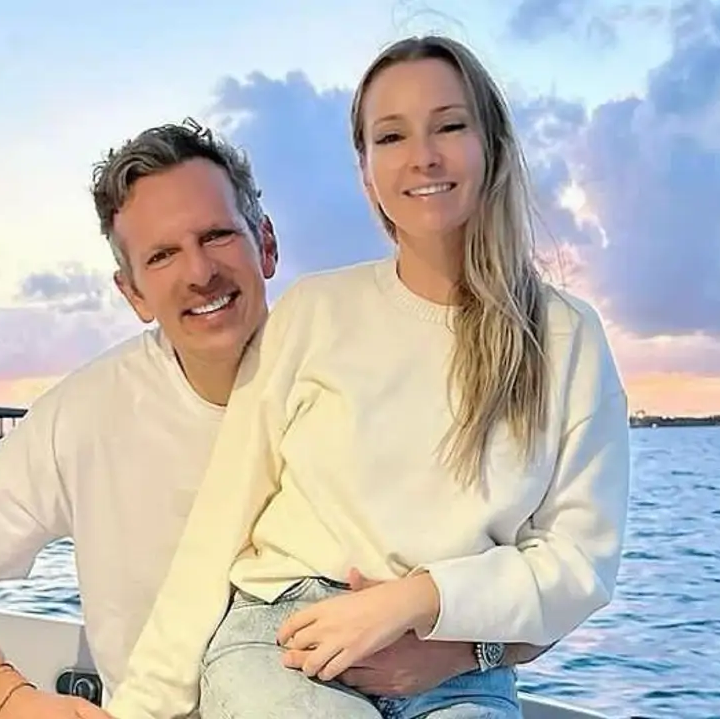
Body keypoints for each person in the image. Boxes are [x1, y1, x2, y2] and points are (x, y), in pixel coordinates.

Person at [0, 118, 552, 719]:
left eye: (217, 235)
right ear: (133, 293)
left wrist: (463, 653)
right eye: (162, 256)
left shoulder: (377, 370)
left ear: (266, 243)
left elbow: (542, 571)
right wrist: (6, 698)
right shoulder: (84, 416)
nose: (199, 272)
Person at [105, 35, 631, 719]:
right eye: (391, 136)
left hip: (461, 663)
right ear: (366, 172)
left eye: (450, 125)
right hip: (286, 637)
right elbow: (219, 522)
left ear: (493, 145)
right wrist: (141, 709)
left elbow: (578, 563)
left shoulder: (566, 336)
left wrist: (419, 603)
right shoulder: (314, 311)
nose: (423, 155)